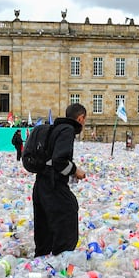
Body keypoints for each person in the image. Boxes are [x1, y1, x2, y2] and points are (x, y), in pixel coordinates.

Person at [32, 102, 87, 257]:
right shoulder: (67, 130)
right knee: (68, 210)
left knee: (44, 220)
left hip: (41, 183)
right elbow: (59, 160)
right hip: (53, 184)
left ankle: (42, 257)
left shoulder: (54, 128)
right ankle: (61, 257)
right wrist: (76, 171)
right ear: (81, 118)